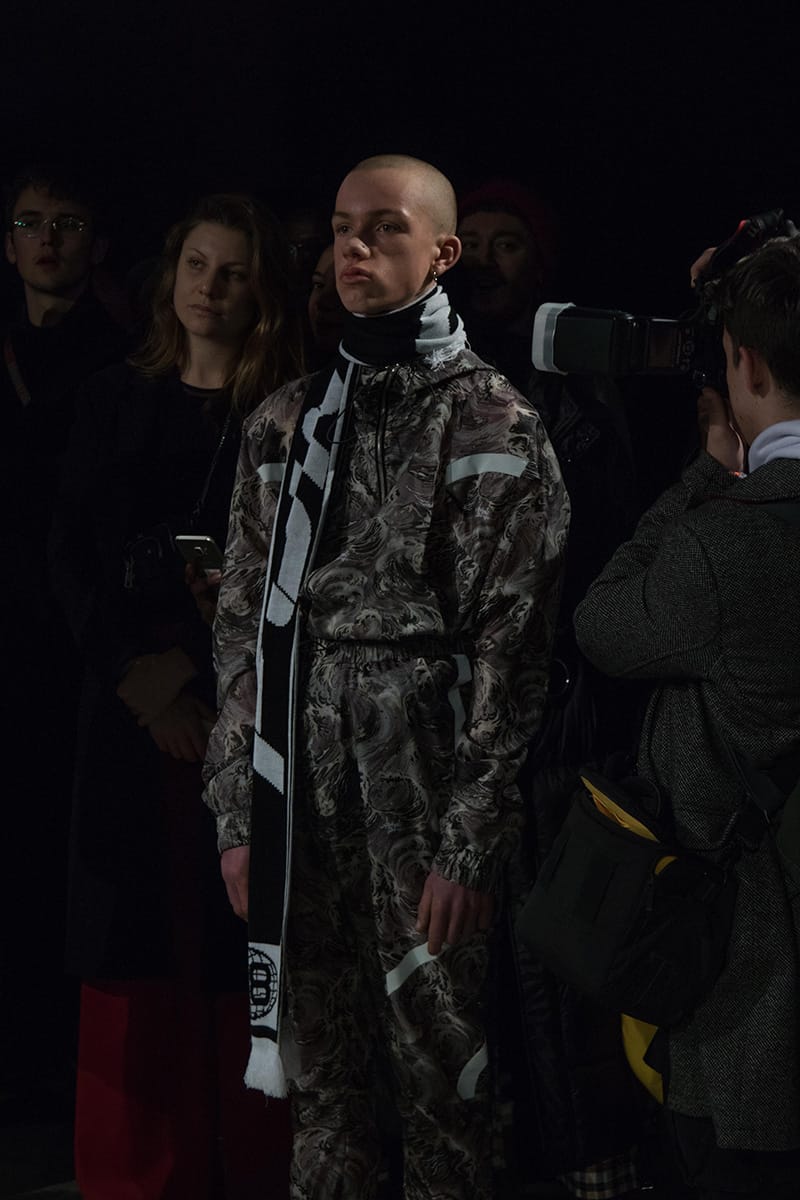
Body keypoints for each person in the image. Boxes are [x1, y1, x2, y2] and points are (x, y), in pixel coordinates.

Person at [203, 154, 569, 1199]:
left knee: (446, 1085)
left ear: (443, 252)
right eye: (339, 227)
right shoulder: (286, 423)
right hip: (297, 800)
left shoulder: (494, 424)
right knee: (326, 1090)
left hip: (423, 791)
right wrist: (238, 815)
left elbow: (512, 652)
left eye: (384, 228)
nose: (353, 247)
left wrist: (467, 844)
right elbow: (240, 629)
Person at [50, 193, 304, 1199]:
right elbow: (67, 559)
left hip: (246, 712)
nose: (210, 288)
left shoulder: (287, 414)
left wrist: (211, 680)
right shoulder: (111, 399)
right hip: (128, 720)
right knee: (134, 941)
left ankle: (247, 1164)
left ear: (260, 291)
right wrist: (148, 689)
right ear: (171, 275)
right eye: (198, 265)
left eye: (233, 272)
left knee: (243, 941)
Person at [574, 235, 800, 1200]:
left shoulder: (725, 547)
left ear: (744, 363)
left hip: (760, 1012)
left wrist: (707, 471)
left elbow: (601, 625)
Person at [0, 163, 128, 1108]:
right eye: (30, 223)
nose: (48, 239)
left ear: (98, 243)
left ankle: (52, 1066)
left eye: (68, 223)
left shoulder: (119, 362)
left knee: (56, 847)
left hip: (66, 645)